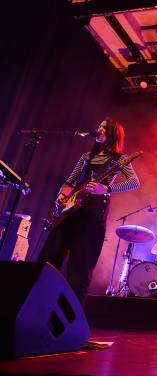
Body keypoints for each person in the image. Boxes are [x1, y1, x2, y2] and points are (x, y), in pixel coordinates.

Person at [38, 118, 140, 304]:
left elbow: (134, 182)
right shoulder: (86, 156)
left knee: (79, 270)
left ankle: (70, 320)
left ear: (113, 134)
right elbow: (70, 182)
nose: (98, 129)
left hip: (93, 215)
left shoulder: (119, 160)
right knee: (47, 260)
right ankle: (37, 305)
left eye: (103, 127)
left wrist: (107, 189)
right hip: (68, 214)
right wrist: (62, 197)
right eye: (99, 126)